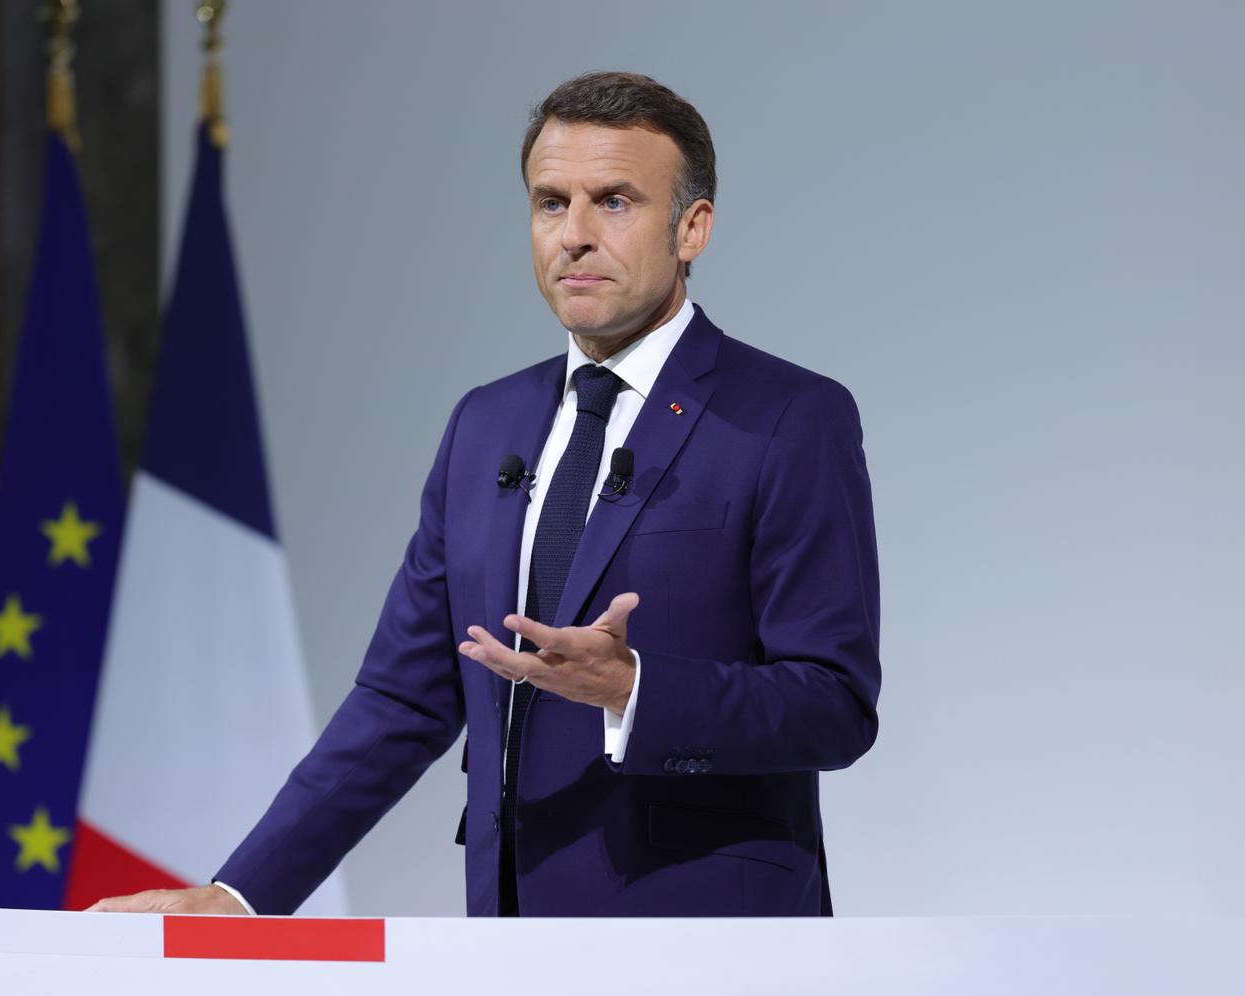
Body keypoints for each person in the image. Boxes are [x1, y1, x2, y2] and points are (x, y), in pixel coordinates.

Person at [89, 71, 880, 917]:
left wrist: (635, 689)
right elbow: (402, 698)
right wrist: (241, 895)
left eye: (614, 202)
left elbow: (834, 703)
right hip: (508, 935)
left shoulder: (789, 418)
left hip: (710, 935)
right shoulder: (485, 423)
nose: (573, 236)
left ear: (692, 228)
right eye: (550, 203)